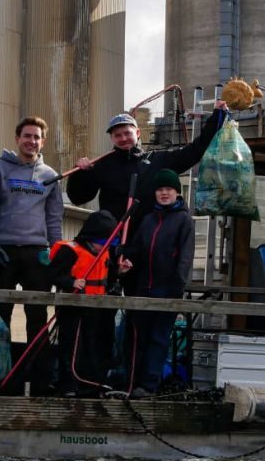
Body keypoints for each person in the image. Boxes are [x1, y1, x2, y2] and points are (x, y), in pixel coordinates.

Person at [0, 115, 64, 395]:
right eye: (26, 136)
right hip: (4, 251)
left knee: (37, 315)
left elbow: (54, 217)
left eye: (36, 137)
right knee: (0, 315)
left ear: (43, 141)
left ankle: (37, 381)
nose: (31, 141)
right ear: (17, 139)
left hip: (36, 254)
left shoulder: (50, 176)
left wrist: (55, 250)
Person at [66, 100, 230, 232]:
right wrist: (80, 174)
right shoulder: (102, 165)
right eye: (117, 135)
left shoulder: (158, 160)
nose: (123, 138)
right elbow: (78, 198)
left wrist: (217, 117)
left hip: (150, 241)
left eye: (127, 133)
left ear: (137, 133)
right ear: (112, 138)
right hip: (114, 241)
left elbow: (195, 150)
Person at [117, 169, 195, 399]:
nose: (163, 193)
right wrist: (126, 255)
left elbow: (185, 258)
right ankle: (133, 382)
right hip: (144, 288)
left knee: (158, 340)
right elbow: (139, 250)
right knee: (139, 338)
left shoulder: (184, 221)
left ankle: (149, 386)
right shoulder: (149, 219)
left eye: (168, 189)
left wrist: (176, 290)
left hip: (167, 289)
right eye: (160, 190)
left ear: (177, 193)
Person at [48, 210, 120, 397]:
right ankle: (68, 384)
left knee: (94, 347)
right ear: (91, 237)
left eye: (111, 243)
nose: (106, 247)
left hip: (96, 309)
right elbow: (53, 274)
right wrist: (71, 282)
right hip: (72, 309)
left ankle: (92, 383)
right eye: (104, 243)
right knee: (70, 347)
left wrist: (122, 271)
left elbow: (110, 278)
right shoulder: (69, 250)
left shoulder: (105, 255)